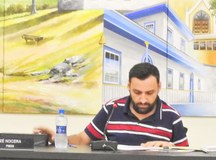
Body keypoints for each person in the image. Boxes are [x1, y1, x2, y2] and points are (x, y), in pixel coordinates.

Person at [36, 62, 189, 148]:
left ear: (159, 87)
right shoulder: (112, 109)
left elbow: (186, 155)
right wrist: (58, 138)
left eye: (149, 93)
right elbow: (82, 140)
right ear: (128, 86)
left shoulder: (172, 116)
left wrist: (170, 148)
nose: (143, 99)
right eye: (137, 92)